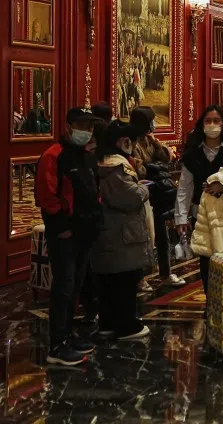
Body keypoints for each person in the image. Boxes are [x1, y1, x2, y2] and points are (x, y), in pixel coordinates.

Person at [35, 107, 102, 365]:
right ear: (69, 125)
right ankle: (57, 344)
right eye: (82, 125)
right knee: (63, 286)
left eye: (90, 126)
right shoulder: (54, 156)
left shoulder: (85, 156)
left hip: (85, 232)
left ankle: (68, 333)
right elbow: (46, 196)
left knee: (75, 285)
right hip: (65, 233)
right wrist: (61, 226)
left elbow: (92, 190)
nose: (86, 130)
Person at [175, 106, 223, 296]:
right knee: (207, 260)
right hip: (202, 214)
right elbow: (185, 187)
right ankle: (212, 303)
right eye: (208, 121)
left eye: (217, 121)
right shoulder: (193, 155)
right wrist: (181, 217)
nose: (212, 125)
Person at [93, 121, 154, 341]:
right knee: (124, 282)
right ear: (123, 141)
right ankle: (127, 326)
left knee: (111, 283)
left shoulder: (103, 162)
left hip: (111, 232)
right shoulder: (115, 167)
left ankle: (108, 323)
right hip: (122, 234)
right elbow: (128, 197)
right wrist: (143, 189)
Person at [130, 106, 184, 289]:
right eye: (151, 120)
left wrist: (157, 144)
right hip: (143, 196)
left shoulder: (149, 140)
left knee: (162, 236)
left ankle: (165, 273)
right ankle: (140, 278)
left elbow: (165, 158)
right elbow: (139, 170)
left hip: (158, 195)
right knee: (144, 239)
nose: (154, 124)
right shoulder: (133, 143)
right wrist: (151, 166)